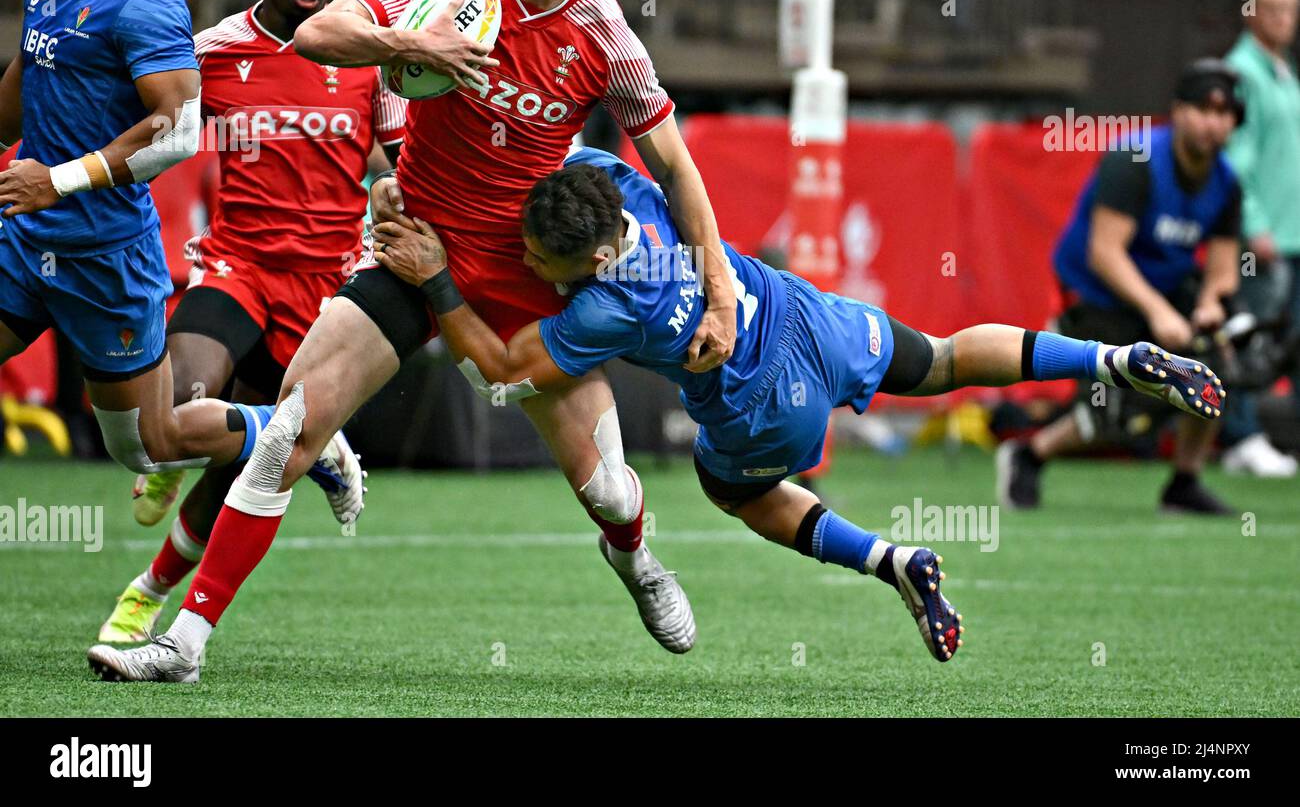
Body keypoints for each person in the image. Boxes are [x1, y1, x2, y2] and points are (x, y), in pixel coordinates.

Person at [87, 0, 735, 682]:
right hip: (411, 245)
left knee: (610, 490)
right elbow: (321, 30)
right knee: (289, 429)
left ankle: (637, 558)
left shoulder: (603, 35)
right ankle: (186, 640)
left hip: (523, 268)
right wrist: (418, 48)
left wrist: (719, 294)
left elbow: (677, 167)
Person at [354, 146, 1226, 663]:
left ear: (580, 260)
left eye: (541, 259)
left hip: (762, 399)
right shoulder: (605, 176)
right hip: (804, 310)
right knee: (948, 357)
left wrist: (436, 278)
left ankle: (891, 560)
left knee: (732, 492)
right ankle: (1109, 356)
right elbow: (643, 162)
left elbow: (504, 363)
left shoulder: (599, 306)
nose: (532, 264)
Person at [0, 0, 361, 492]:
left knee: (149, 445)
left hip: (105, 259)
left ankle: (299, 431)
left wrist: (56, 180)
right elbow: (19, 92)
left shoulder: (150, 7)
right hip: (23, 240)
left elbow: (177, 133)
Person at [97, 0, 408, 644]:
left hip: (324, 287)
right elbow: (142, 127)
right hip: (237, 264)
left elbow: (400, 163)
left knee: (237, 474)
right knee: (169, 415)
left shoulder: (368, 58)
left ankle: (147, 594)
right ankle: (304, 438)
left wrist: (395, 194)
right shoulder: (214, 51)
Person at [998, 60, 1245, 515]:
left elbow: (1224, 269)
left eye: (1225, 114)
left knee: (1214, 367)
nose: (1214, 124)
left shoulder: (1226, 182)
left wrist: (1211, 305)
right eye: (1204, 111)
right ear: (1178, 112)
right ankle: (1028, 455)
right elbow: (1105, 254)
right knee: (1111, 413)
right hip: (1096, 290)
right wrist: (1158, 313)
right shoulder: (1135, 161)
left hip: (1164, 288)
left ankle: (1184, 482)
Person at [1220, 0, 1300, 477]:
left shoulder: (1281, 69)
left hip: (1293, 233)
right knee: (1248, 338)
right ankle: (1240, 436)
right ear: (1250, 13)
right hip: (1265, 238)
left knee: (1286, 341)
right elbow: (1236, 158)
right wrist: (1255, 225)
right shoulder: (1242, 73)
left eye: (1291, 9)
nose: (1285, 20)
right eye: (1273, 9)